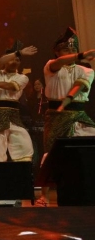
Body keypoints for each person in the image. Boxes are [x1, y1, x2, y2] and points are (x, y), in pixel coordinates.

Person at [38, 27, 95, 206]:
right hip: (56, 115)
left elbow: (79, 85)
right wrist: (80, 55)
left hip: (78, 114)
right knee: (50, 153)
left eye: (73, 49)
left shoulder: (86, 70)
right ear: (57, 52)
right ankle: (44, 195)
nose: (70, 51)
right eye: (65, 49)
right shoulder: (51, 66)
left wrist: (68, 100)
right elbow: (60, 62)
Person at [0, 42, 36, 163]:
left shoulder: (22, 78)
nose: (14, 62)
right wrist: (19, 53)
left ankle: (22, 178)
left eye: (18, 60)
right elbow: (0, 61)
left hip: (14, 117)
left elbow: (12, 87)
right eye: (11, 59)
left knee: (24, 148)